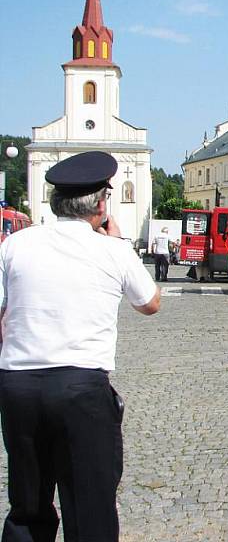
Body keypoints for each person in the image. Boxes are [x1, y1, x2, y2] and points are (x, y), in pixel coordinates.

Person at [0, 151, 160, 541]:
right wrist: (120, 245)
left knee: (28, 505)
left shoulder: (16, 244)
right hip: (80, 390)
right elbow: (150, 304)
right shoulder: (112, 250)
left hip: (18, 386)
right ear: (102, 205)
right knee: (89, 506)